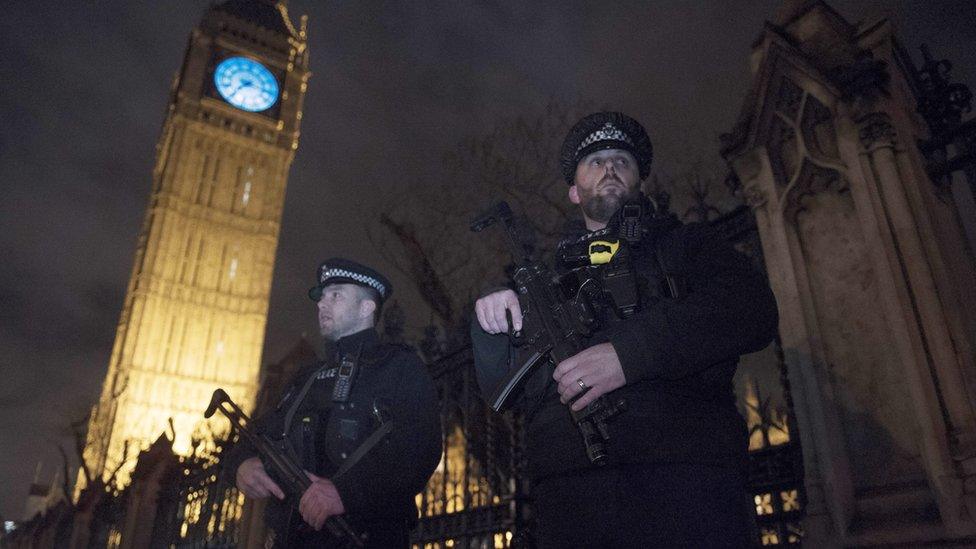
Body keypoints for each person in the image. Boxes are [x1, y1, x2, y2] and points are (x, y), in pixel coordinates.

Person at [471, 112, 779, 547]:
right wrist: (492, 324)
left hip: (686, 481)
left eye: (622, 160)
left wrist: (627, 355)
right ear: (574, 191)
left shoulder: (688, 245)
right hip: (569, 499)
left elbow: (751, 310)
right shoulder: (545, 280)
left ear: (641, 184)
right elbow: (511, 391)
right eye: (595, 161)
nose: (610, 167)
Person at [226, 258, 442, 548]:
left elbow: (420, 448)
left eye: (336, 295)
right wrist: (240, 465)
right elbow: (261, 432)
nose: (321, 304)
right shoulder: (305, 377)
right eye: (321, 297)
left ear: (367, 307)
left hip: (365, 537)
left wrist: (346, 493)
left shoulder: (398, 367)